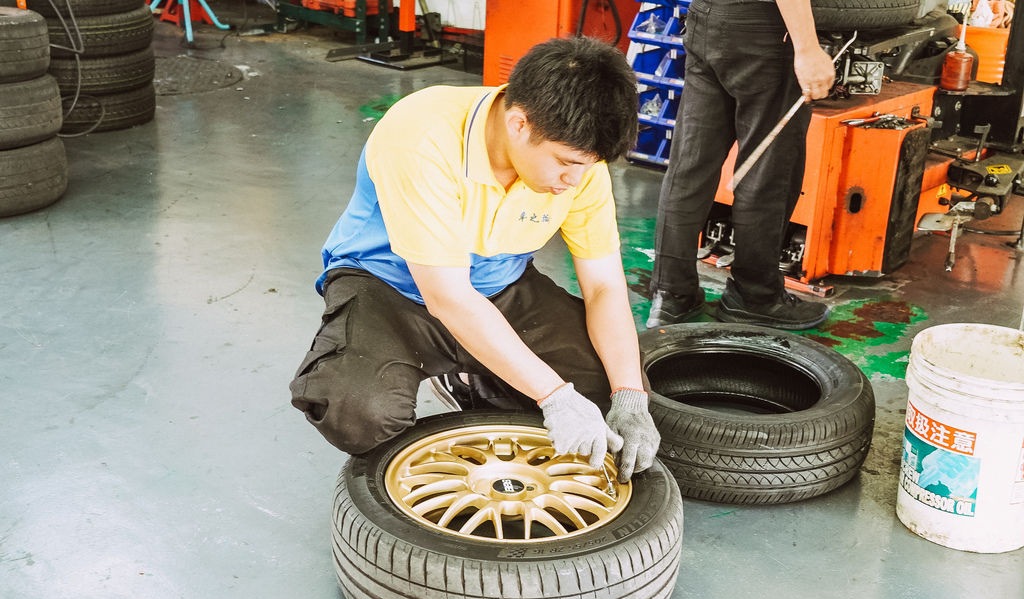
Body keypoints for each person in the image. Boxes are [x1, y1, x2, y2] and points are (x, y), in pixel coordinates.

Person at [289, 37, 660, 482]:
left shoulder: (579, 167)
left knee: (607, 394)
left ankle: (481, 374)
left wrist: (630, 396)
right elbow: (448, 298)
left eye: (588, 165)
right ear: (519, 124)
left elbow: (603, 286)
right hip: (389, 286)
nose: (576, 179)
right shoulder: (420, 137)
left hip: (499, 283)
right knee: (358, 411)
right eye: (565, 162)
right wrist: (554, 395)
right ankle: (469, 367)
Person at [646, 0, 836, 330]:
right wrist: (807, 48)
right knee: (766, 173)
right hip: (763, 28)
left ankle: (671, 295)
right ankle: (755, 297)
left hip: (707, 18)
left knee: (690, 167)